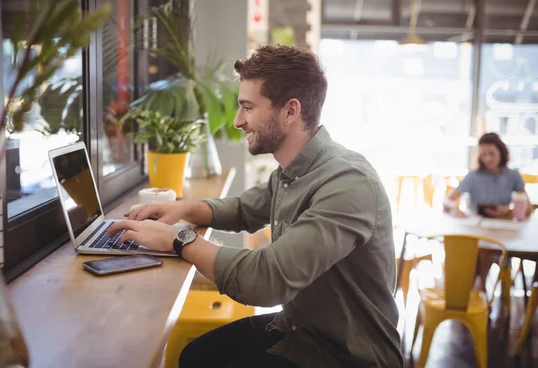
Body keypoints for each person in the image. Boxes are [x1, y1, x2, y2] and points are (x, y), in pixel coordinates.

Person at [107, 45, 403, 368]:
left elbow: (267, 279)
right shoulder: (295, 170)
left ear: (290, 112)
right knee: (194, 357)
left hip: (343, 356)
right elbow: (246, 209)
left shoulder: (347, 184)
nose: (237, 121)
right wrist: (185, 210)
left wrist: (179, 240)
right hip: (300, 331)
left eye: (247, 108)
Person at [443, 132, 532, 218]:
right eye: (483, 155)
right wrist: (454, 207)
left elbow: (528, 208)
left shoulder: (513, 175)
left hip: (503, 225)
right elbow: (446, 201)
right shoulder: (473, 176)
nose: (487, 159)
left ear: (501, 152)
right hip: (475, 225)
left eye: (491, 154)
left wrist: (510, 211)